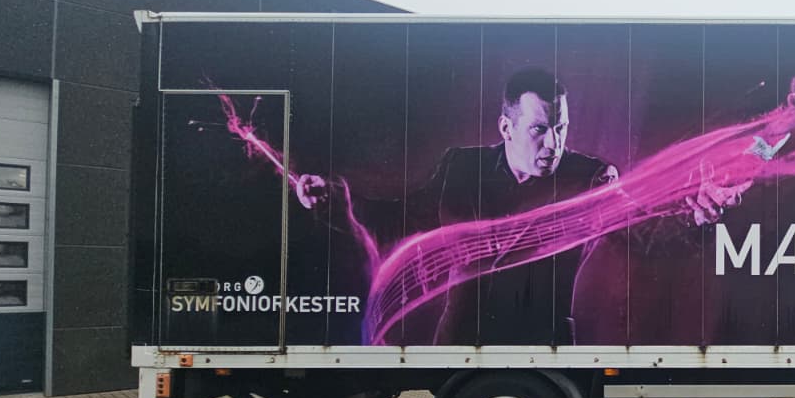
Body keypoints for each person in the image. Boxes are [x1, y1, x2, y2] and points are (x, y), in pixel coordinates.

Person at [296, 67, 741, 345]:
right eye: (539, 130)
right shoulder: (460, 168)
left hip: (544, 346)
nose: (554, 144)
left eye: (561, 128)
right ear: (506, 128)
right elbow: (402, 218)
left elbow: (642, 231)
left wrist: (698, 215)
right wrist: (338, 200)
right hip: (461, 344)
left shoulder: (589, 178)